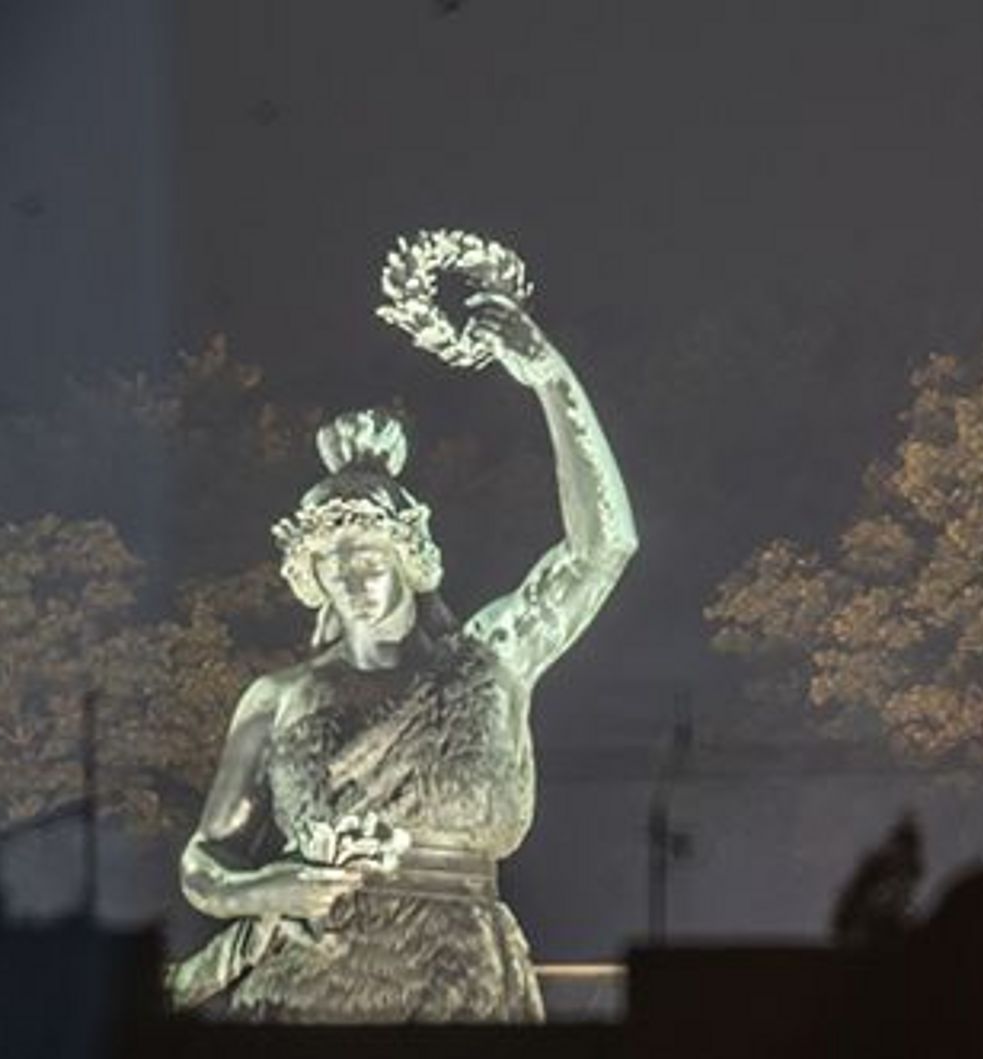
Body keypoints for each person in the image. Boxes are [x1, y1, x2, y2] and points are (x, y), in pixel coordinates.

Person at [172, 294, 636, 1021]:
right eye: (331, 563)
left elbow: (602, 548)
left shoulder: (487, 663)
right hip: (309, 977)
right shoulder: (279, 696)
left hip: (461, 977)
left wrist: (550, 376)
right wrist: (261, 891)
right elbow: (204, 860)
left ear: (409, 558)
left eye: (365, 556)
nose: (349, 577)